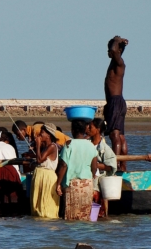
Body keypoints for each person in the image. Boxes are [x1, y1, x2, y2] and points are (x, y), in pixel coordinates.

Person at [55, 120, 99, 221]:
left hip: (73, 185)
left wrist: (58, 184)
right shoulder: (91, 145)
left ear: (73, 130)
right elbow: (94, 167)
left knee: (71, 217)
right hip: (87, 184)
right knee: (84, 216)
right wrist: (90, 177)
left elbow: (63, 165)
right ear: (85, 130)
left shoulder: (69, 144)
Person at [104, 36, 129, 170]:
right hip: (115, 102)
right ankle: (122, 165)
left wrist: (117, 40)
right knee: (120, 136)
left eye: (110, 49)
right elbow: (114, 51)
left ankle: (116, 164)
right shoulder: (114, 63)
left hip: (115, 102)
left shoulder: (119, 63)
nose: (109, 52)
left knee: (115, 135)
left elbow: (114, 51)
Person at [0, 127, 21, 216]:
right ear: (6, 138)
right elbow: (15, 165)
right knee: (12, 195)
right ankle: (13, 212)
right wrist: (18, 177)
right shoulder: (10, 147)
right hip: (10, 171)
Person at [89, 118, 117, 218]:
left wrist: (95, 165)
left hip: (97, 185)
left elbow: (110, 167)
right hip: (86, 181)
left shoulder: (105, 148)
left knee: (95, 215)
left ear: (98, 129)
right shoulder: (86, 144)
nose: (88, 129)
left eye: (90, 127)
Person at [30, 123, 60, 218]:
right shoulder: (46, 147)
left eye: (42, 132)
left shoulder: (52, 146)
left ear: (48, 135)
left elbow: (40, 160)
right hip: (40, 177)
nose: (40, 135)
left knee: (45, 204)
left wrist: (38, 144)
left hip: (47, 178)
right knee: (37, 204)